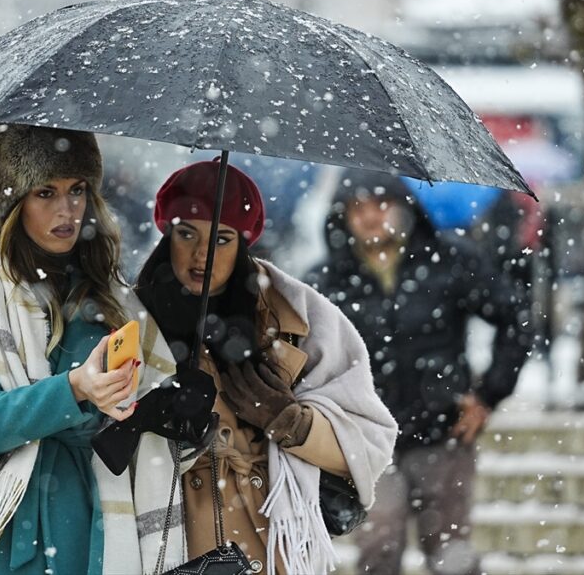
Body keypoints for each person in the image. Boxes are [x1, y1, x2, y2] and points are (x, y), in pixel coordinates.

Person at [0, 124, 189, 574]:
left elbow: (137, 428)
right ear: (13, 202)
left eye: (78, 190)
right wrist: (74, 389)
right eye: (46, 192)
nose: (67, 210)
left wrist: (171, 409)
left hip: (97, 529)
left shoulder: (110, 294)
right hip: (3, 536)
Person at [134, 160, 397, 575]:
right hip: (167, 539)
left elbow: (371, 441)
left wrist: (288, 421)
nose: (201, 254)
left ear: (243, 242)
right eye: (186, 234)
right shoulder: (128, 319)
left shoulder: (303, 319)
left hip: (274, 538)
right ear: (167, 234)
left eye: (221, 238)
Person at [304, 169, 533, 575]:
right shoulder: (325, 283)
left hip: (443, 430)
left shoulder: (450, 260)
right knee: (379, 544)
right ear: (341, 217)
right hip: (369, 441)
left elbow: (515, 315)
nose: (369, 216)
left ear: (403, 207)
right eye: (356, 207)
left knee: (450, 554)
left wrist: (489, 394)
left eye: (380, 203)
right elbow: (301, 357)